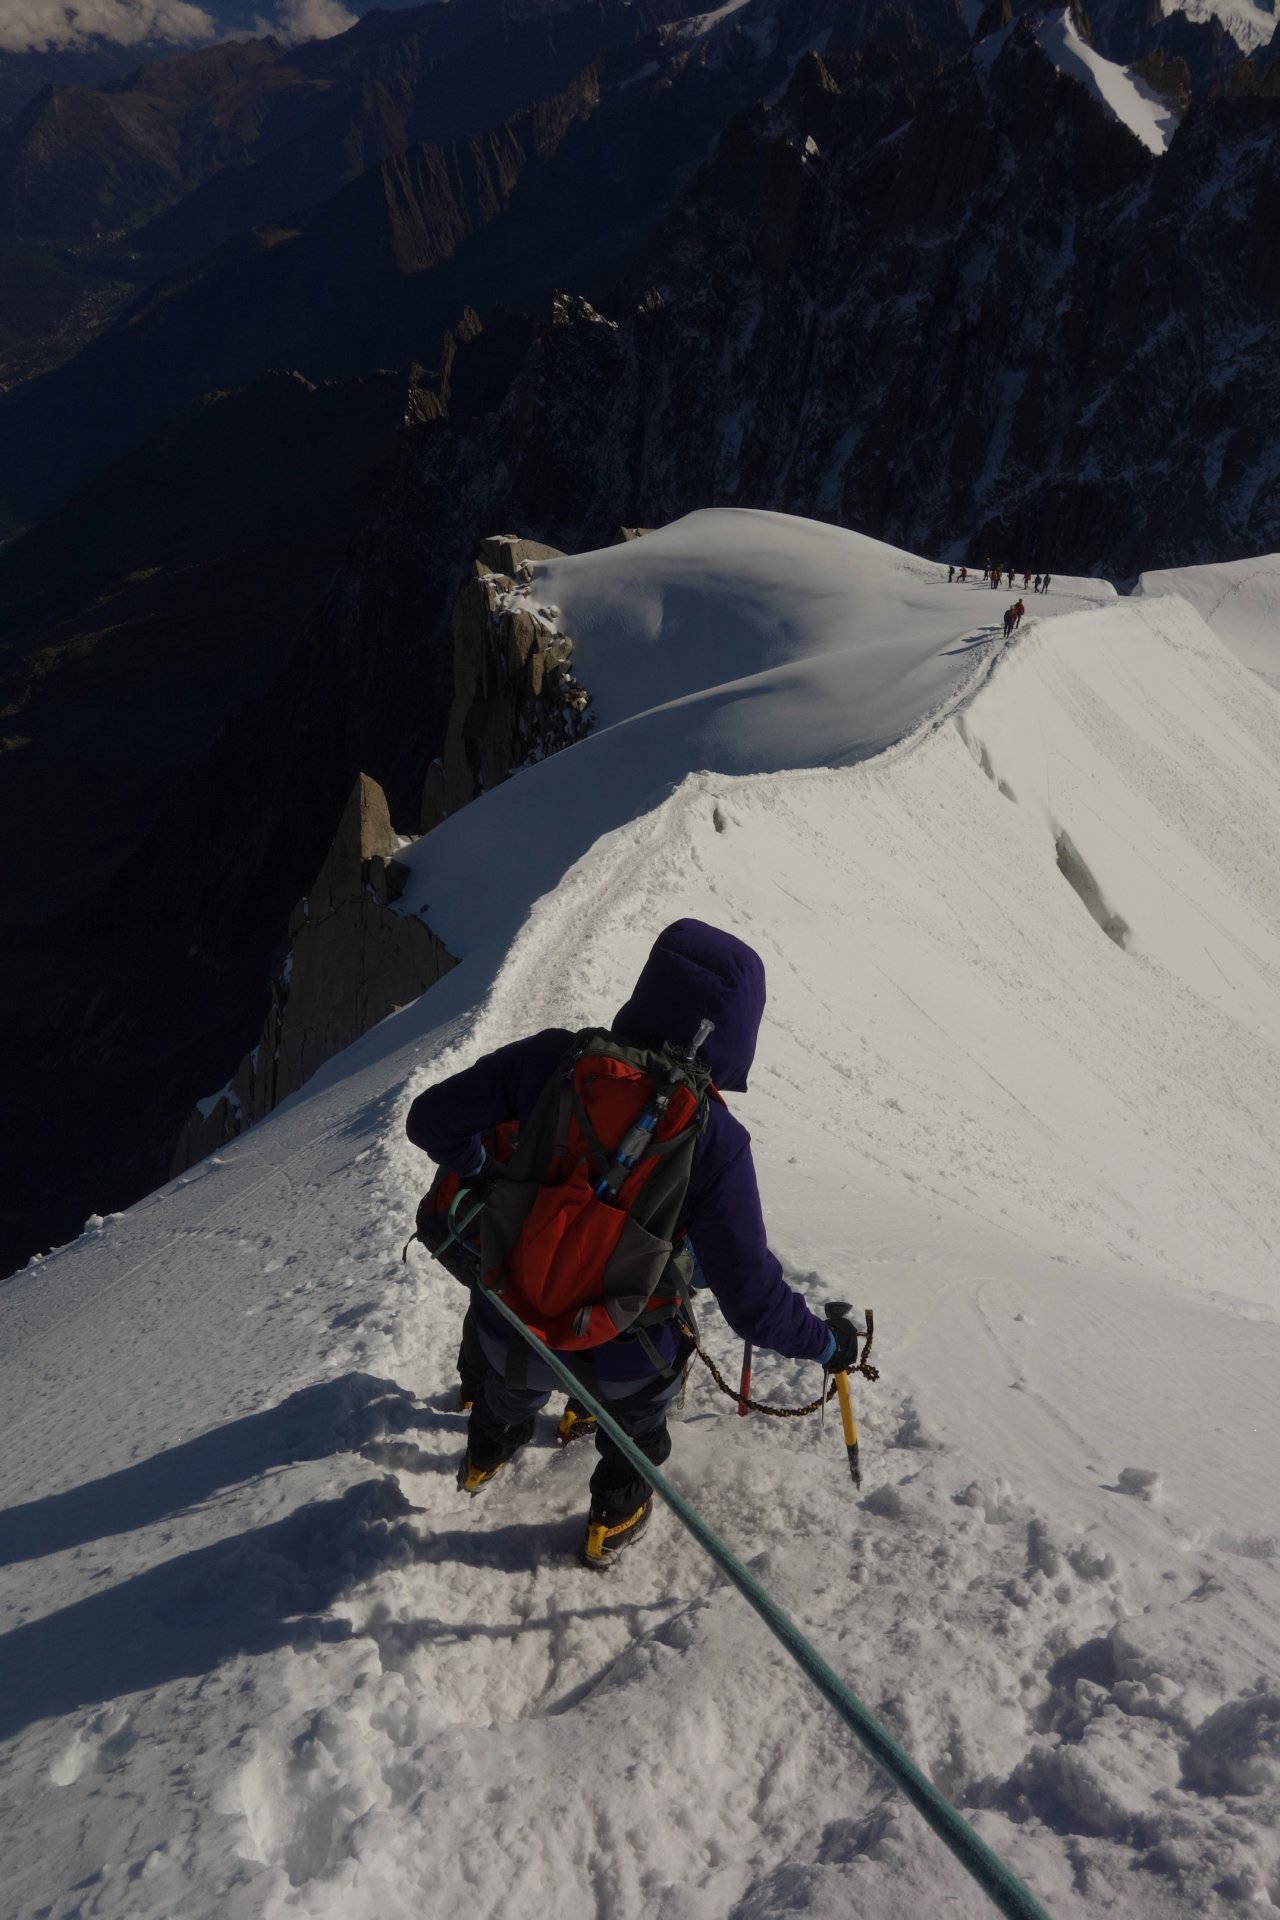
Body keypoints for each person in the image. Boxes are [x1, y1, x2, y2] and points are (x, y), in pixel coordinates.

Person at [405, 921, 855, 1566]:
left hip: (517, 1317)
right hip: (629, 1348)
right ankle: (610, 1519)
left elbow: (431, 1119)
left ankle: (485, 1458)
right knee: (638, 1425)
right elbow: (752, 1303)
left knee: (507, 1388)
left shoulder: (552, 1061)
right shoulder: (717, 1141)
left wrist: (482, 1174)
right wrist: (826, 1343)